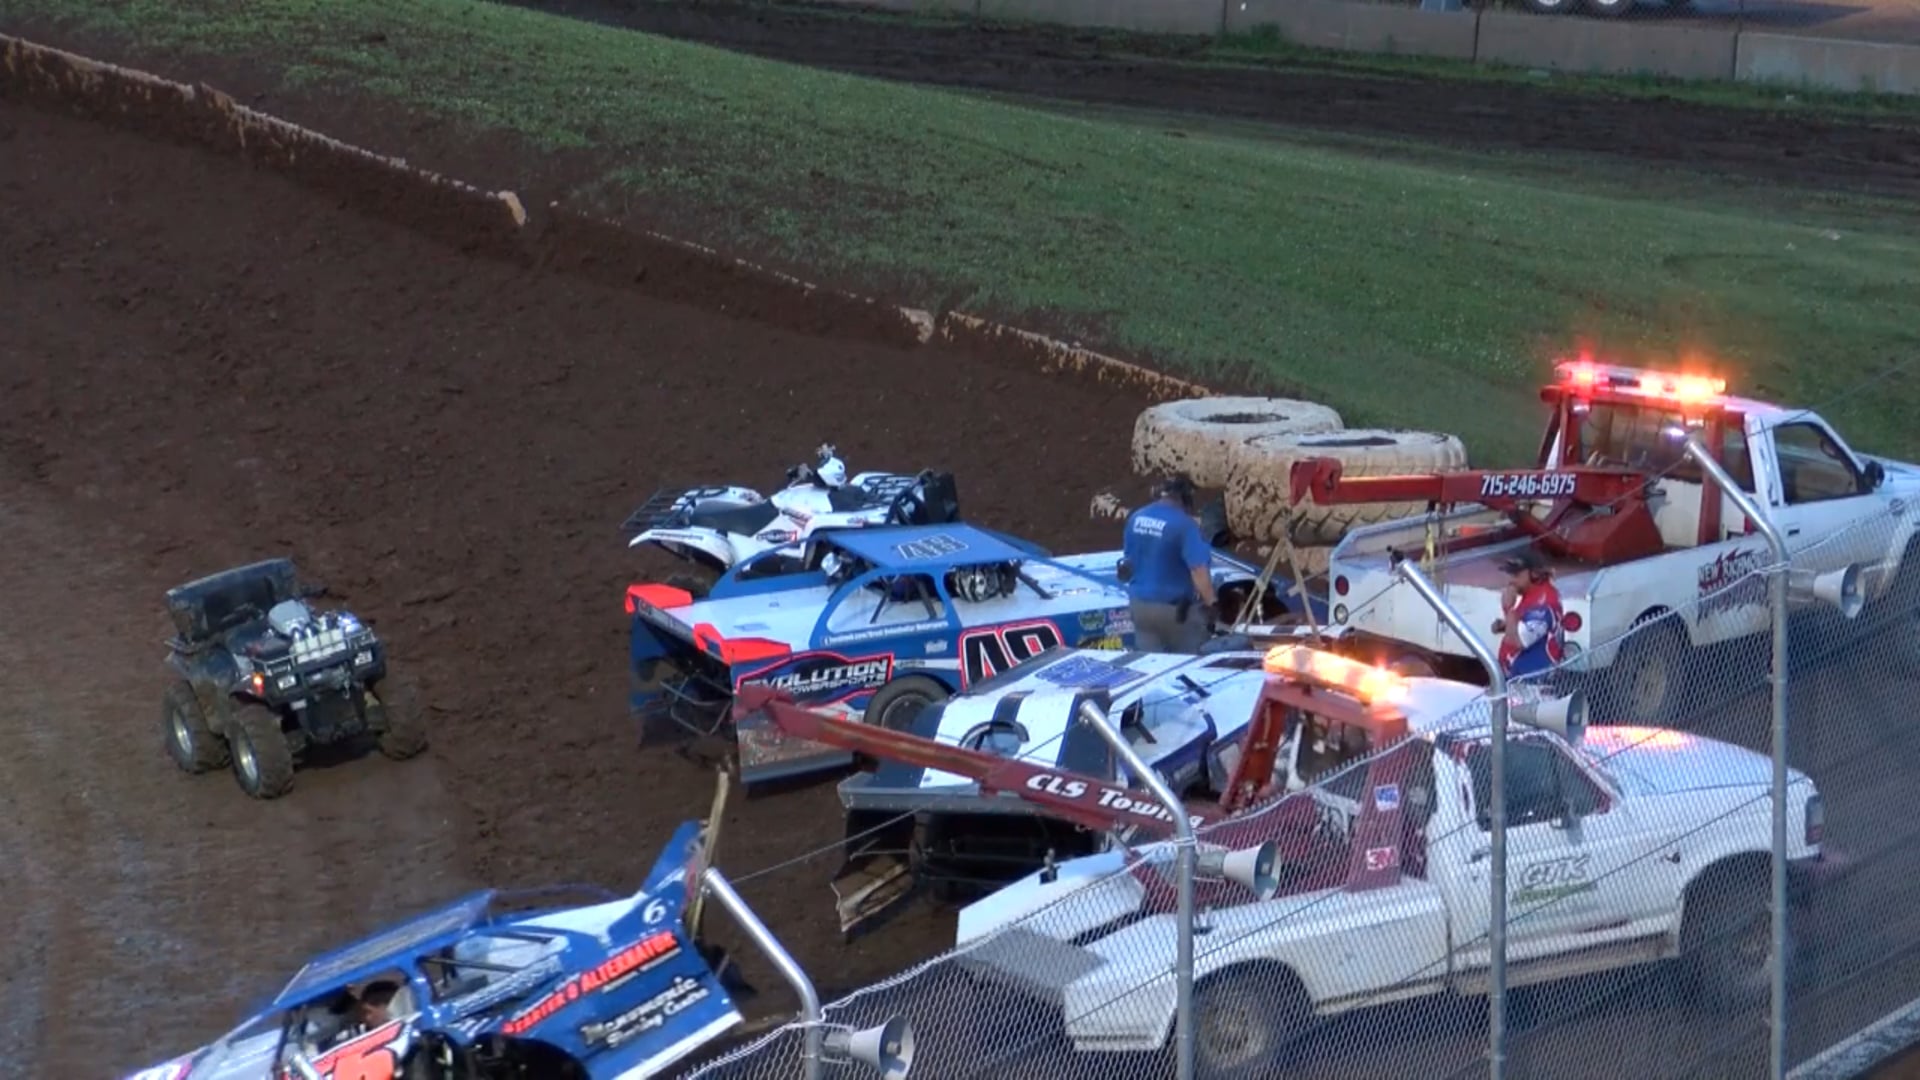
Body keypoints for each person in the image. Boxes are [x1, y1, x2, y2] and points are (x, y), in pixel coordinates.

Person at [1116, 474, 1219, 653]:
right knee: (1191, 664)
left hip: (1140, 608)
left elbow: (1128, 560)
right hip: (1175, 613)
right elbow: (1198, 570)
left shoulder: (1136, 518)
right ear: (1184, 497)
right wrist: (1212, 604)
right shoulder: (1185, 525)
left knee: (1152, 666)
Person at [1491, 549, 1565, 680]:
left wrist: (1508, 608)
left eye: (1516, 574)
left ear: (1534, 573)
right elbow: (1526, 625)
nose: (1511, 580)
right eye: (1510, 574)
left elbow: (1516, 641)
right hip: (1519, 678)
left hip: (1533, 685)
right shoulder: (1532, 595)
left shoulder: (1544, 603)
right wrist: (1505, 625)